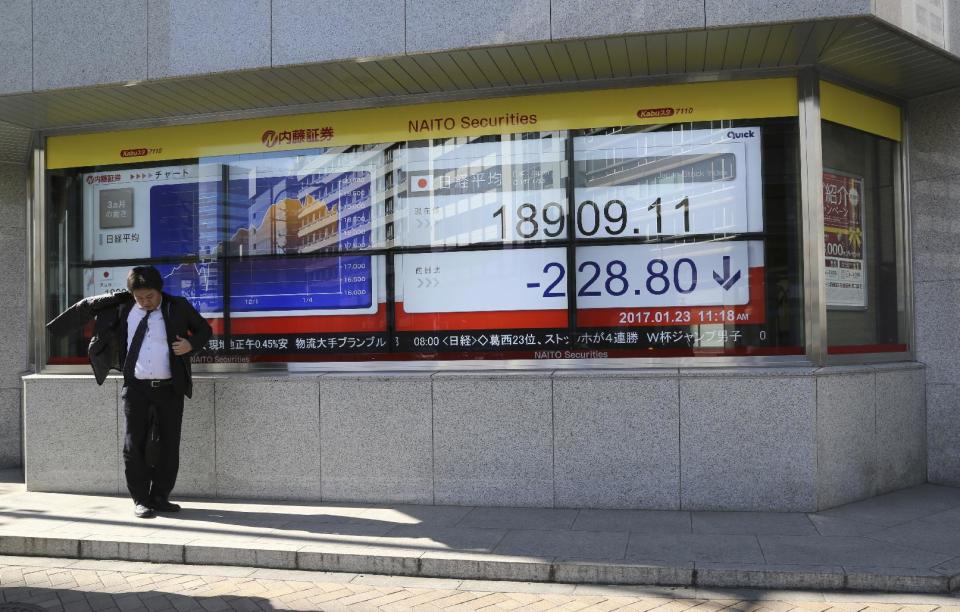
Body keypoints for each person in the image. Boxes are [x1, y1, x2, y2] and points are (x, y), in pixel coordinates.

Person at [46, 266, 212, 518]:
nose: (145, 302)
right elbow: (86, 308)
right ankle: (140, 499)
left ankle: (160, 497)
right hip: (136, 388)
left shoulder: (177, 306)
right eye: (140, 297)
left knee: (169, 444)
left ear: (160, 291)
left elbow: (205, 330)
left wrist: (190, 344)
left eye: (150, 297)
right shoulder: (121, 308)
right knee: (133, 445)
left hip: (170, 389)